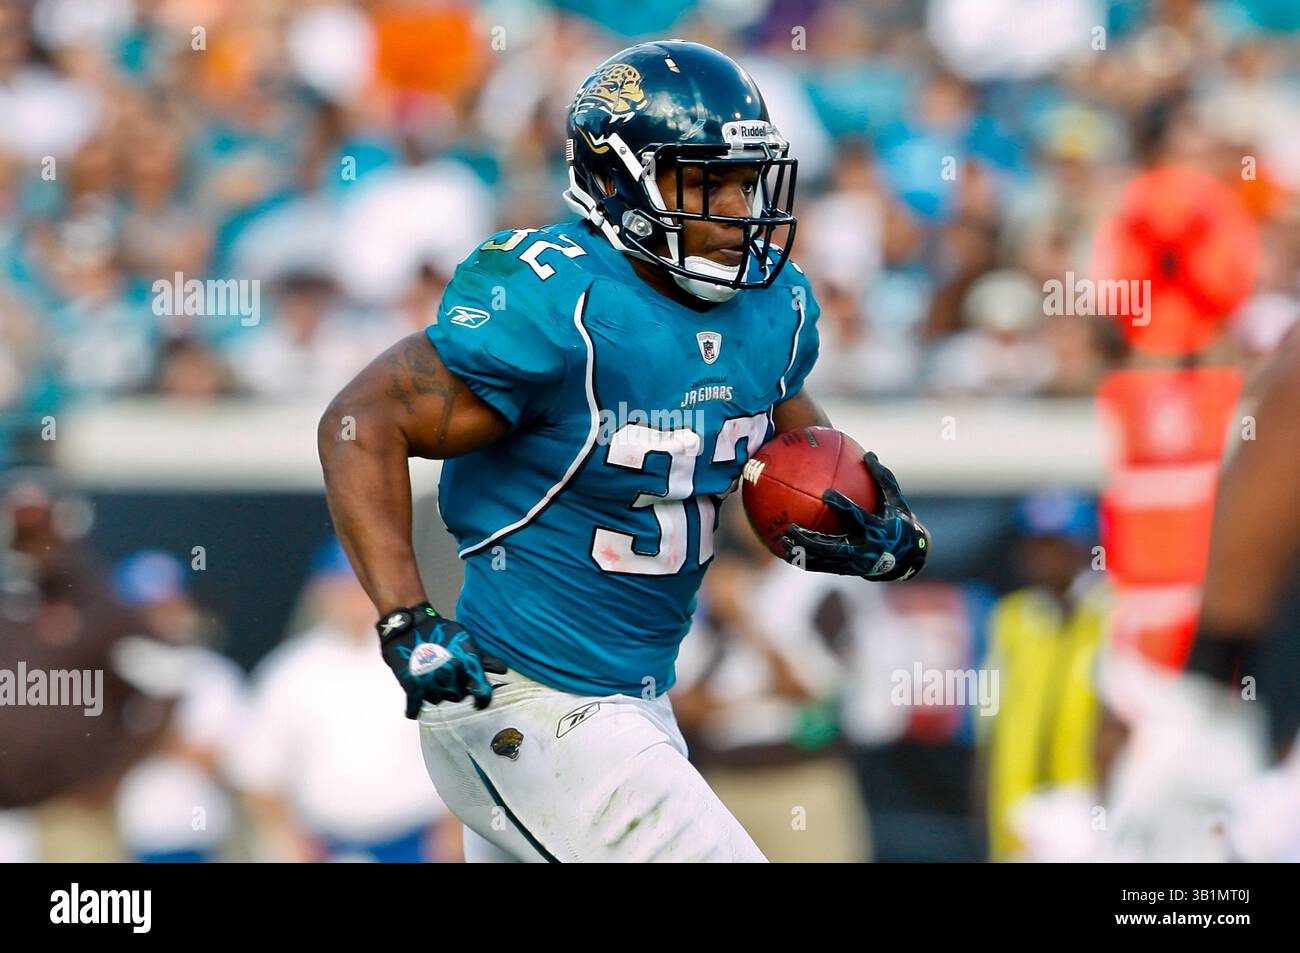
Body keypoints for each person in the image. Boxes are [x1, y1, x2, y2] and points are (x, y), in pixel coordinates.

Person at [318, 40, 930, 863]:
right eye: (704, 182)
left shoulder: (769, 306)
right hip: (528, 699)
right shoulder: (559, 300)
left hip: (636, 703)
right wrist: (406, 619)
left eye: (745, 181)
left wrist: (859, 515)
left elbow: (786, 442)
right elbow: (359, 422)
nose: (735, 209)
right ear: (618, 179)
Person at [228, 540, 456, 863]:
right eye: (339, 587)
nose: (350, 598)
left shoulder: (426, 657)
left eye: (358, 586)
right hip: (330, 846)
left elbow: (468, 749)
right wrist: (289, 840)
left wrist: (455, 830)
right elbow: (256, 770)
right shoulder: (290, 670)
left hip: (419, 841)